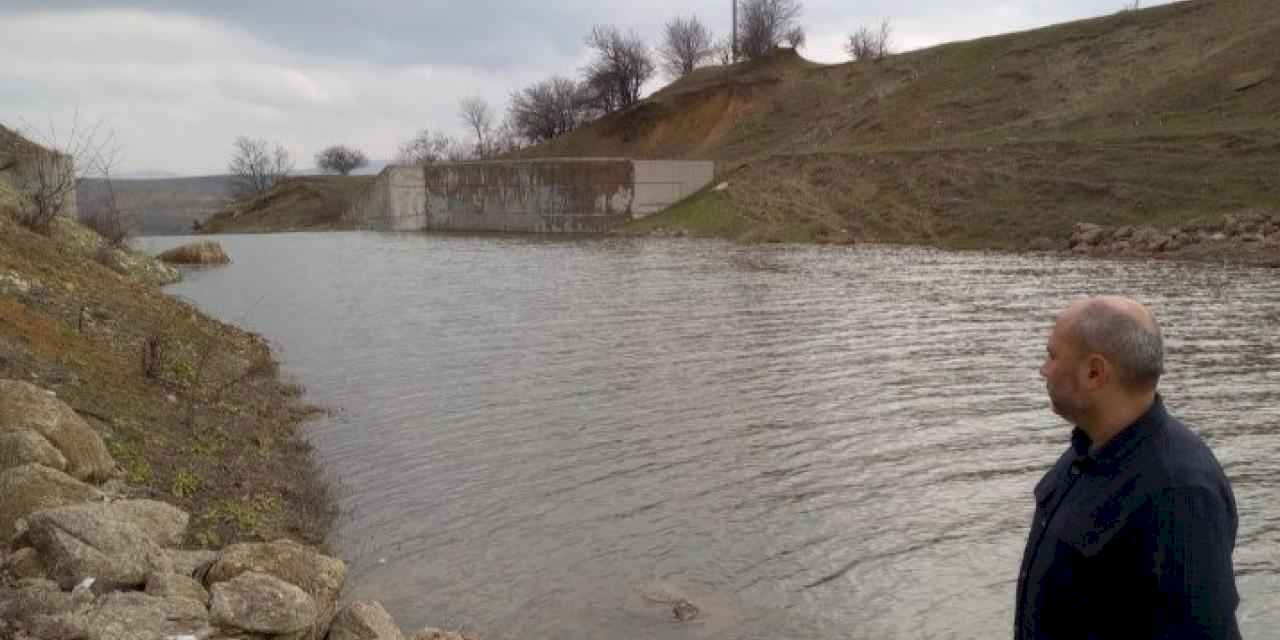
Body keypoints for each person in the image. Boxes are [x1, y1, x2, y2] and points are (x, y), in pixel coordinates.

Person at [1015, 296, 1240, 639]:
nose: (1043, 370)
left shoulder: (1179, 494)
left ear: (1094, 372)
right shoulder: (1088, 448)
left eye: (1052, 355)